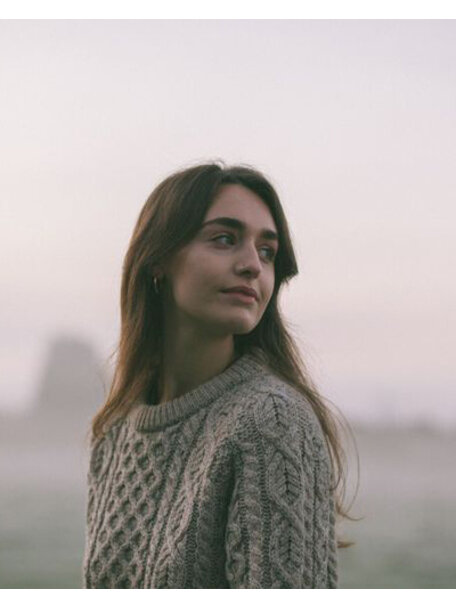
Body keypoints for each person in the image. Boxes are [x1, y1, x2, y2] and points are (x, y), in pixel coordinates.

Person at [82, 161, 356, 589]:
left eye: (267, 252)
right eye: (225, 239)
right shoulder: (113, 434)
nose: (252, 265)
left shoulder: (272, 422)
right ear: (158, 261)